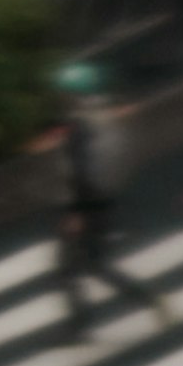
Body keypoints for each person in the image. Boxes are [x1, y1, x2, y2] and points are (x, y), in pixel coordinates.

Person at [49, 63, 140, 334]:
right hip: (105, 197)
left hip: (85, 202)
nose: (61, 96)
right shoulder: (103, 114)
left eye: (64, 91)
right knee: (95, 265)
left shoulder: (78, 125)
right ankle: (145, 298)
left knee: (66, 269)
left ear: (72, 92)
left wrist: (76, 213)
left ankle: (79, 323)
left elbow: (80, 170)